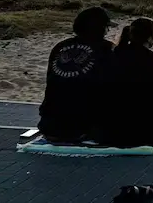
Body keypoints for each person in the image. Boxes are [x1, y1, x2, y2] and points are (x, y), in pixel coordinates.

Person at [93, 17, 153, 149]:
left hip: (111, 127)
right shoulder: (151, 59)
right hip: (142, 131)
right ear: (150, 37)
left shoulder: (115, 54)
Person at [37, 7, 115, 142]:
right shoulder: (107, 49)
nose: (108, 31)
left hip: (49, 125)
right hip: (82, 127)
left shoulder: (59, 47)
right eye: (107, 27)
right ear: (101, 28)